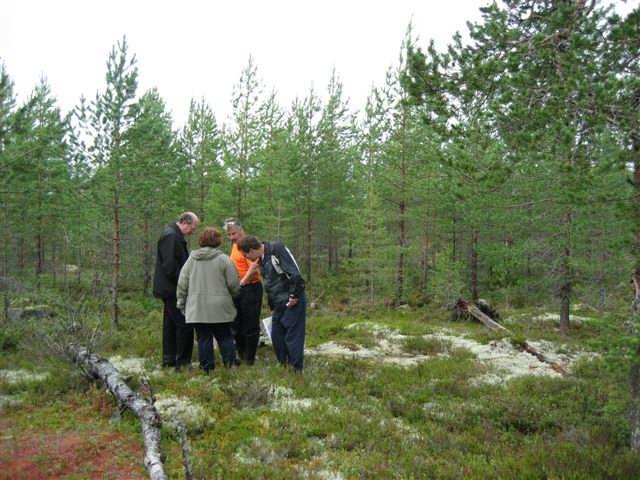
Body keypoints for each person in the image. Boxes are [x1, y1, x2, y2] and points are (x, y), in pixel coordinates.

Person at [236, 235, 306, 371]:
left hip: (292, 299)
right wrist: (272, 306)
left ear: (251, 250)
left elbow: (295, 274)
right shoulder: (260, 260)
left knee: (293, 336)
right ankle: (284, 366)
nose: (246, 259)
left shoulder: (276, 250)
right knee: (277, 336)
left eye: (245, 255)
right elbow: (269, 283)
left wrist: (294, 296)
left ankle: (296, 370)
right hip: (278, 303)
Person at [177, 227, 240, 372]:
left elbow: (182, 283)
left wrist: (181, 303)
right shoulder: (224, 259)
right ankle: (230, 366)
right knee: (225, 337)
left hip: (197, 307)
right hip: (220, 307)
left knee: (203, 339)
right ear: (217, 241)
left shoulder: (191, 260)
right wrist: (233, 296)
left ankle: (206, 369)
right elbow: (234, 284)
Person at [153, 212, 199, 368]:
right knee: (184, 324)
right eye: (193, 227)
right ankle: (183, 361)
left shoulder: (173, 235)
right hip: (172, 290)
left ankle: (170, 360)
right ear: (185, 223)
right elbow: (170, 267)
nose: (193, 231)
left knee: (171, 325)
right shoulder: (171, 237)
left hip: (170, 288)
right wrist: (184, 284)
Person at [223, 218, 263, 365]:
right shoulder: (235, 246)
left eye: (234, 233)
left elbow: (254, 268)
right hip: (237, 289)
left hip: (250, 288)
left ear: (241, 230)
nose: (232, 237)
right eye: (229, 234)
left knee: (250, 324)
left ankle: (250, 359)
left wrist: (242, 283)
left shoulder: (247, 245)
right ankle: (241, 354)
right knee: (236, 323)